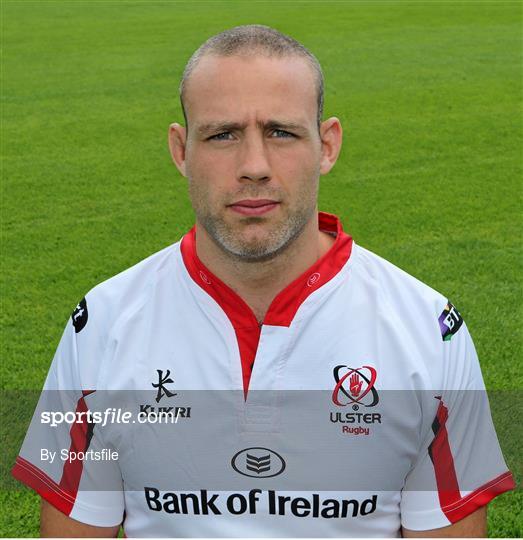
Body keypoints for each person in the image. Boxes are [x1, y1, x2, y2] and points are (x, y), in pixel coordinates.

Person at [13, 25, 514, 537]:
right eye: (222, 134)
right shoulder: (103, 324)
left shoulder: (428, 332)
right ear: (181, 150)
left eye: (281, 132)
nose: (253, 166)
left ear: (327, 145)